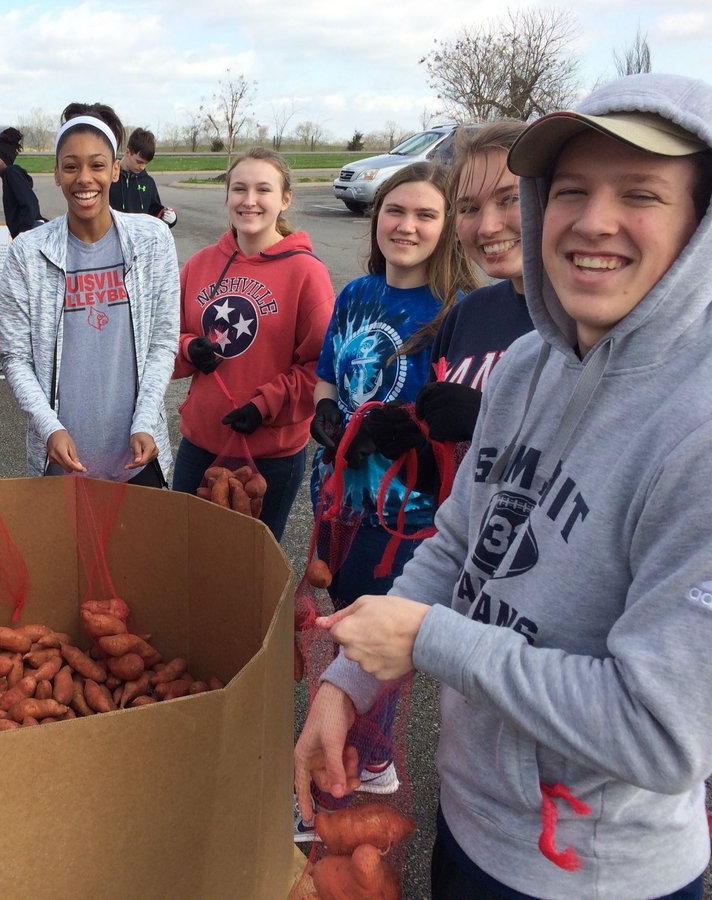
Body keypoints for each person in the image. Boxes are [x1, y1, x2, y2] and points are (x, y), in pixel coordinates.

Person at [297, 72, 712, 899]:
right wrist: (347, 682)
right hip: (474, 826)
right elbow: (459, 544)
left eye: (641, 194)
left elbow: (663, 734)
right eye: (570, 191)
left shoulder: (697, 426)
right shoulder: (526, 368)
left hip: (592, 875)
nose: (594, 221)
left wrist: (429, 641)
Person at [302, 161, 475, 807]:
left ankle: (368, 763)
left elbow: (470, 423)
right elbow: (328, 372)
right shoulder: (356, 294)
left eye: (425, 214)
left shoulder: (457, 313)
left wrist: (419, 440)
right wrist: (324, 411)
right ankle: (345, 741)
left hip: (408, 512)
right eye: (395, 212)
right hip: (340, 497)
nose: (406, 225)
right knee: (345, 618)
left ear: (448, 227)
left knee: (375, 639)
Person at [0, 102, 179, 485]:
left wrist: (145, 420)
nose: (84, 178)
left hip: (138, 460)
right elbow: (16, 357)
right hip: (62, 462)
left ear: (115, 169)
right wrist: (50, 428)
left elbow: (163, 341)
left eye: (97, 165)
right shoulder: (27, 253)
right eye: (71, 166)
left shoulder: (152, 240)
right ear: (57, 174)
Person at [171, 147, 334, 540]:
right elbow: (163, 340)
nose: (249, 201)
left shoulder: (306, 273)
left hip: (271, 454)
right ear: (227, 196)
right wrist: (189, 348)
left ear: (285, 199)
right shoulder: (200, 265)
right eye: (239, 189)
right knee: (187, 552)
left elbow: (322, 368)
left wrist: (265, 405)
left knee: (250, 568)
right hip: (201, 443)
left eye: (263, 189)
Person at [414, 121, 534, 446]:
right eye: (469, 208)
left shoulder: (586, 329)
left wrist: (488, 421)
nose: (487, 227)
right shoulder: (467, 314)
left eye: (510, 199)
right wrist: (408, 439)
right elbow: (443, 461)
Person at [110, 127, 177, 227]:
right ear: (127, 152)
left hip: (139, 240)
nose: (142, 167)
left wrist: (169, 218)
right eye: (139, 162)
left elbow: (154, 211)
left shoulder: (148, 182)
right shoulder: (107, 176)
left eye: (146, 163)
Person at [0, 127, 44, 238]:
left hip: (31, 233)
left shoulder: (11, 172)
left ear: (6, 160)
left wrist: (23, 232)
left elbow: (30, 202)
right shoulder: (9, 176)